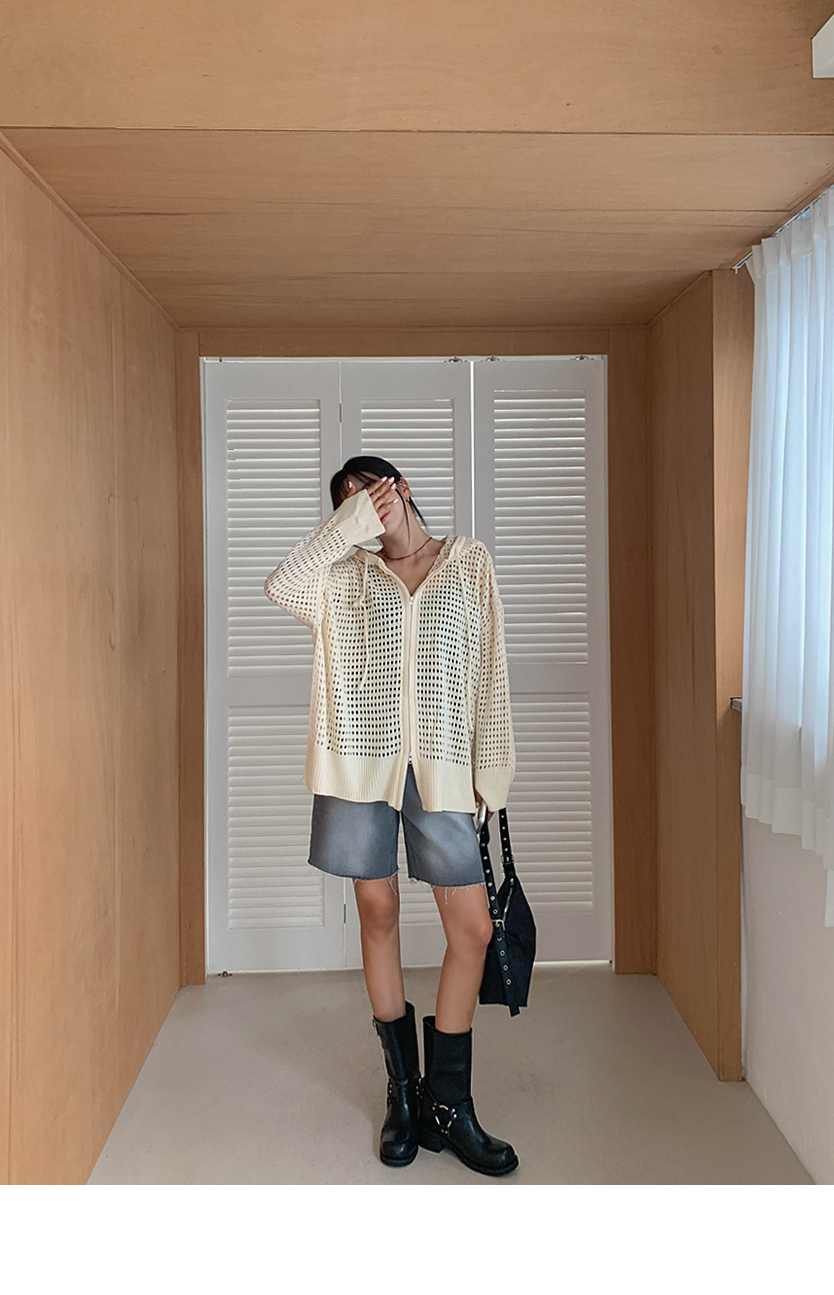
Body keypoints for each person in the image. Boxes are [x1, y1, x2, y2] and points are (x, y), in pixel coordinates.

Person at [263, 454, 518, 1177]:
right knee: (377, 912)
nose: (364, 510)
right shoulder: (343, 576)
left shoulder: (468, 564)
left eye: (370, 494)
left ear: (401, 489)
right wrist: (346, 528)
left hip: (442, 767)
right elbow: (281, 584)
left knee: (472, 929)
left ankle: (450, 1102)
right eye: (346, 504)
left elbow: (491, 671)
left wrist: (491, 772)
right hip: (358, 767)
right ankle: (404, 1095)